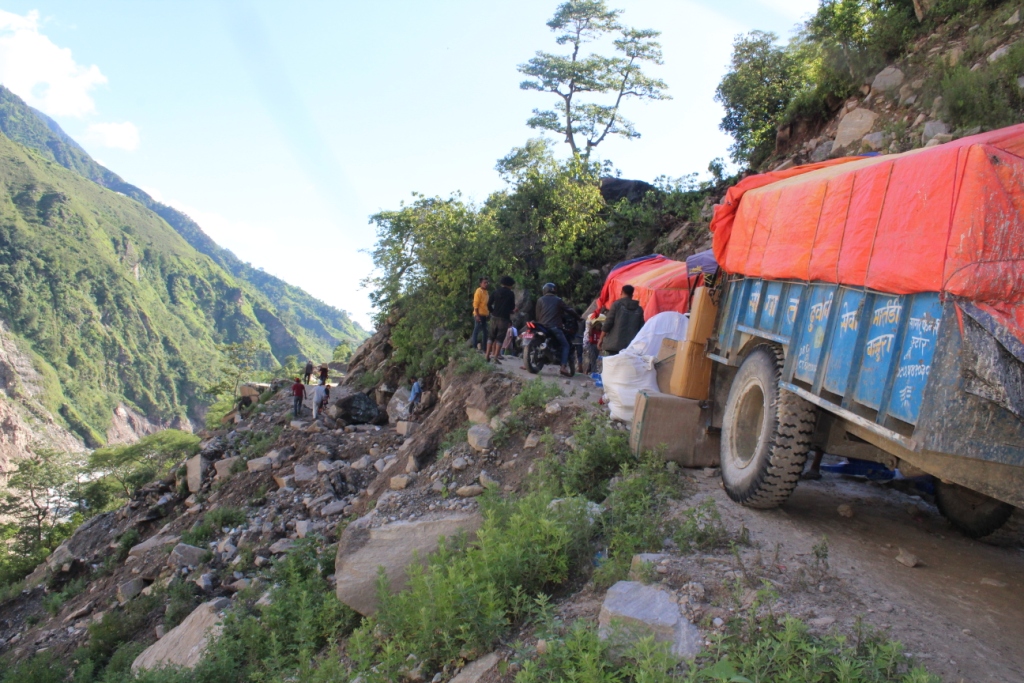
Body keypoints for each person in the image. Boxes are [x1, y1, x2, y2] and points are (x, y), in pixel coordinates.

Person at [534, 282, 577, 376]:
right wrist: (577, 316)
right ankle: (563, 367)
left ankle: (528, 363)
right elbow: (568, 310)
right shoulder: (558, 300)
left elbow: (537, 316)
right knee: (566, 345)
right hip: (554, 327)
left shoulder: (540, 300)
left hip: (542, 326)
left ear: (545, 290)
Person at [600, 284, 645, 356]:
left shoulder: (616, 305)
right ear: (632, 294)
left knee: (613, 366)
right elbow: (642, 329)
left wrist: (600, 339)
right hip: (630, 347)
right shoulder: (639, 309)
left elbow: (608, 323)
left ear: (622, 292)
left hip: (614, 345)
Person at [486, 276, 516, 362]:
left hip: (494, 317)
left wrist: (492, 311)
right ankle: (495, 357)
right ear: (510, 285)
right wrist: (510, 311)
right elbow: (512, 307)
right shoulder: (511, 293)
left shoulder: (496, 292)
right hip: (504, 318)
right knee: (500, 338)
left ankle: (487, 355)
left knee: (491, 336)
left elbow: (488, 304)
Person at [470, 277, 490, 351]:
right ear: (480, 283)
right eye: (484, 282)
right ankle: (474, 347)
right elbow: (476, 304)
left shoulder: (486, 292)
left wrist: (488, 313)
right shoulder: (479, 291)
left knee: (485, 331)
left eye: (487, 282)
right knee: (476, 330)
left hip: (484, 314)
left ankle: (484, 348)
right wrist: (477, 315)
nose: (486, 284)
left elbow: (486, 304)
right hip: (479, 314)